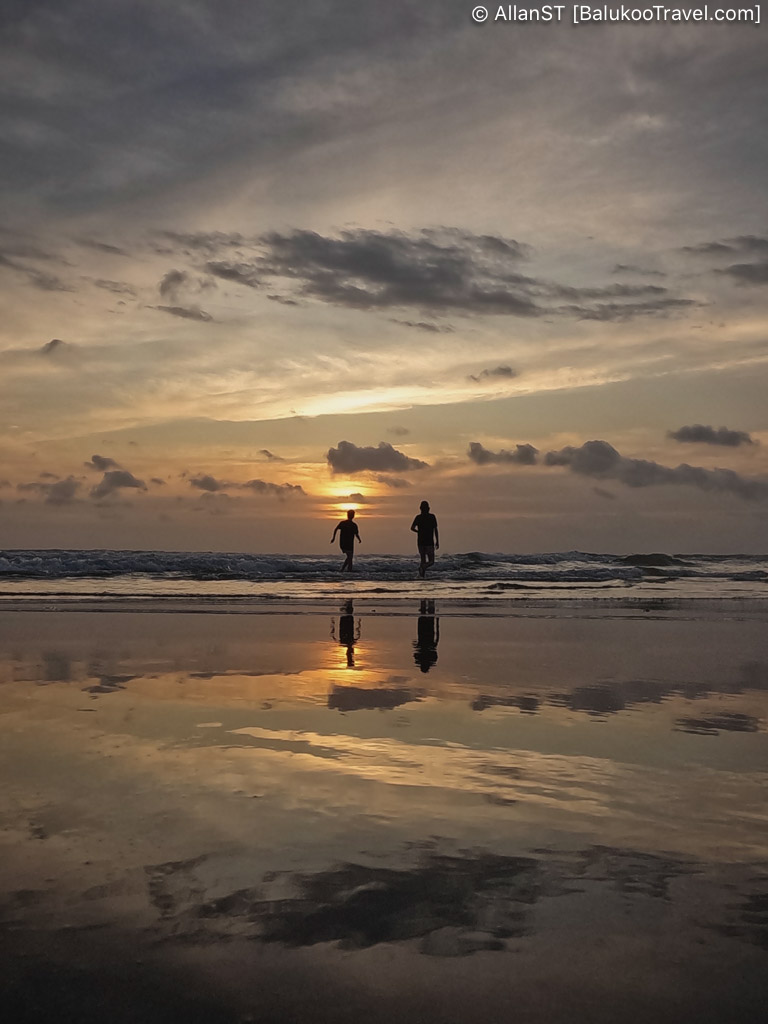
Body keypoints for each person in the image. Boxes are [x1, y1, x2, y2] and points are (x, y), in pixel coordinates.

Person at [410, 500, 439, 578]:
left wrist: (419, 532)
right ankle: (423, 570)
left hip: (420, 541)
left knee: (423, 560)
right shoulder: (432, 517)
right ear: (428, 508)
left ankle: (422, 575)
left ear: (420, 508)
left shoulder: (418, 517)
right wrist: (437, 541)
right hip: (429, 541)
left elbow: (412, 528)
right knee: (431, 561)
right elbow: (435, 529)